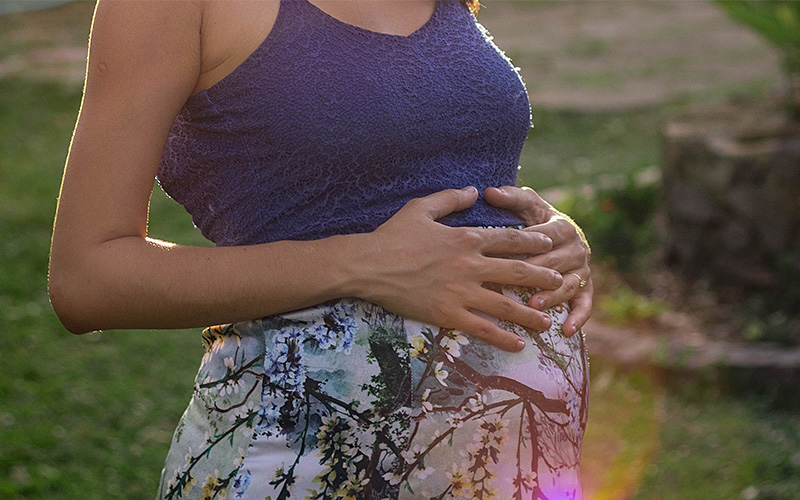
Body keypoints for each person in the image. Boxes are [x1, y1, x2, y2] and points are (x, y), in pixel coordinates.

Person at [48, 0, 594, 498]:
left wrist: (545, 236)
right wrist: (362, 263)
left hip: (512, 462)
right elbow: (87, 278)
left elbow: (432, 167)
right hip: (306, 457)